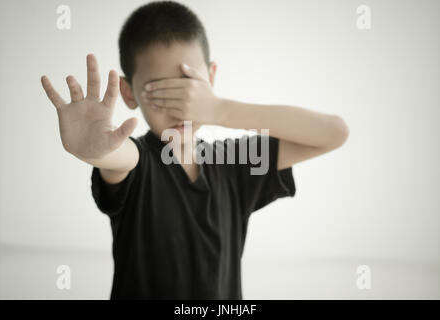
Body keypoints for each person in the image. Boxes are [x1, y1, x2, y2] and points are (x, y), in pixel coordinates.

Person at [40, 1, 349, 300]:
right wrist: (94, 150)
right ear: (128, 92)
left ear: (210, 78)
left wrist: (219, 109)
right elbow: (118, 157)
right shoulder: (139, 161)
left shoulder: (235, 164)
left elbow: (334, 133)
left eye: (189, 88)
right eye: (160, 92)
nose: (180, 107)